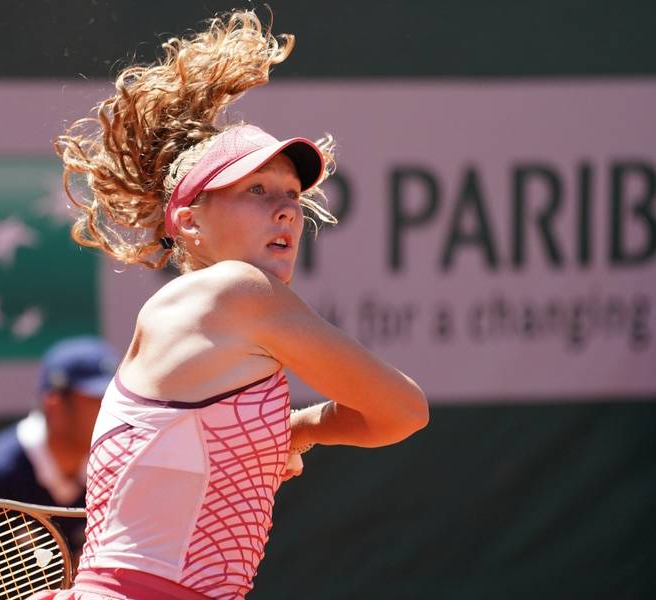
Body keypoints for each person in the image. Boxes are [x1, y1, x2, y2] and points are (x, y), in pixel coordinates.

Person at [31, 9, 429, 600]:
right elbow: (403, 410)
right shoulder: (237, 293)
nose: (287, 210)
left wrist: (286, 435)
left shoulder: (195, 315)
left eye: (293, 196)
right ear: (188, 222)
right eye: (256, 190)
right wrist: (301, 430)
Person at [0, 335, 119, 553]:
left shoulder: (113, 474)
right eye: (97, 400)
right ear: (55, 405)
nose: (112, 411)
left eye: (114, 399)